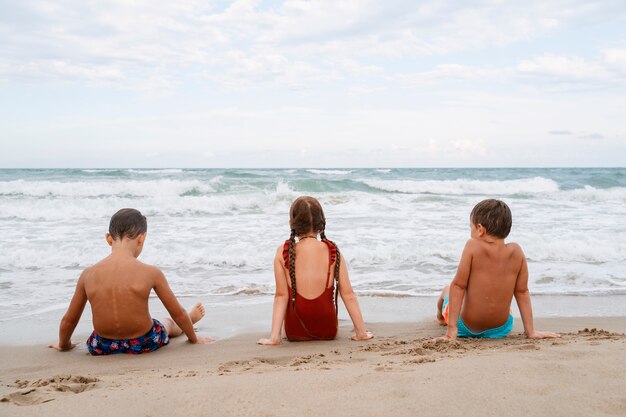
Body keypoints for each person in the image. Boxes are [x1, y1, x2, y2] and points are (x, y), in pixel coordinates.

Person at [50, 208, 213, 355]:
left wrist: (64, 345)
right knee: (167, 323)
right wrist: (194, 339)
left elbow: (69, 319)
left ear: (108, 238)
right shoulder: (151, 272)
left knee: (104, 335)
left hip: (102, 345)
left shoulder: (88, 274)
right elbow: (177, 313)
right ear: (142, 239)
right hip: (144, 342)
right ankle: (191, 321)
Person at [437, 199, 560, 340]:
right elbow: (522, 292)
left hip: (465, 327)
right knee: (506, 307)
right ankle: (526, 329)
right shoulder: (517, 252)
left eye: (470, 227)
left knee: (448, 290)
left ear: (479, 229)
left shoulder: (472, 246)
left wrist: (452, 330)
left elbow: (458, 286)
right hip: (501, 329)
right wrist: (531, 332)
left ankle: (440, 317)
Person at [258, 196, 373, 345]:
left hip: (295, 331)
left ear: (291, 224)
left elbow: (281, 296)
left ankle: (275, 337)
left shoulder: (283, 253)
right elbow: (348, 294)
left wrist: (274, 337)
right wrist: (361, 333)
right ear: (321, 224)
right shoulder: (333, 251)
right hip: (328, 330)